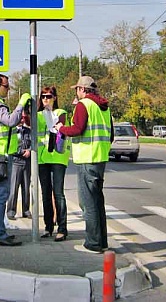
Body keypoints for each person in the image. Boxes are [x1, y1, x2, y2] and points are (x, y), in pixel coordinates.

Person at [54, 76, 113, 254]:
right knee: (97, 201)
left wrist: (61, 129)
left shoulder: (84, 105)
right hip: (100, 157)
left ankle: (93, 243)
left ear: (82, 89)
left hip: (87, 158)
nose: (76, 93)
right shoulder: (104, 107)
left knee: (88, 203)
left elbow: (77, 129)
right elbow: (111, 135)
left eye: (76, 89)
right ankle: (102, 241)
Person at [0, 73, 31, 246]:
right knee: (1, 194)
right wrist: (21, 104)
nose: (8, 89)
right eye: (6, 86)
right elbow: (10, 121)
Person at [37, 86, 69, 242]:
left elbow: (58, 126)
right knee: (45, 194)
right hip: (42, 158)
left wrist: (49, 111)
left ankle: (62, 228)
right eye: (43, 96)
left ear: (55, 98)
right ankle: (48, 226)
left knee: (58, 193)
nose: (45, 99)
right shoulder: (38, 115)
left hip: (57, 157)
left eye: (48, 96)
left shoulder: (60, 113)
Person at [6, 107, 31, 221]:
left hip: (27, 162)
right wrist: (21, 152)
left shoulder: (27, 131)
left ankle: (26, 210)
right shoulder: (12, 131)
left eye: (23, 118)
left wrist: (29, 150)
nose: (21, 120)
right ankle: (11, 210)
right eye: (20, 118)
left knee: (26, 187)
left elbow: (32, 142)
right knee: (14, 188)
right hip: (16, 161)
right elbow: (11, 147)